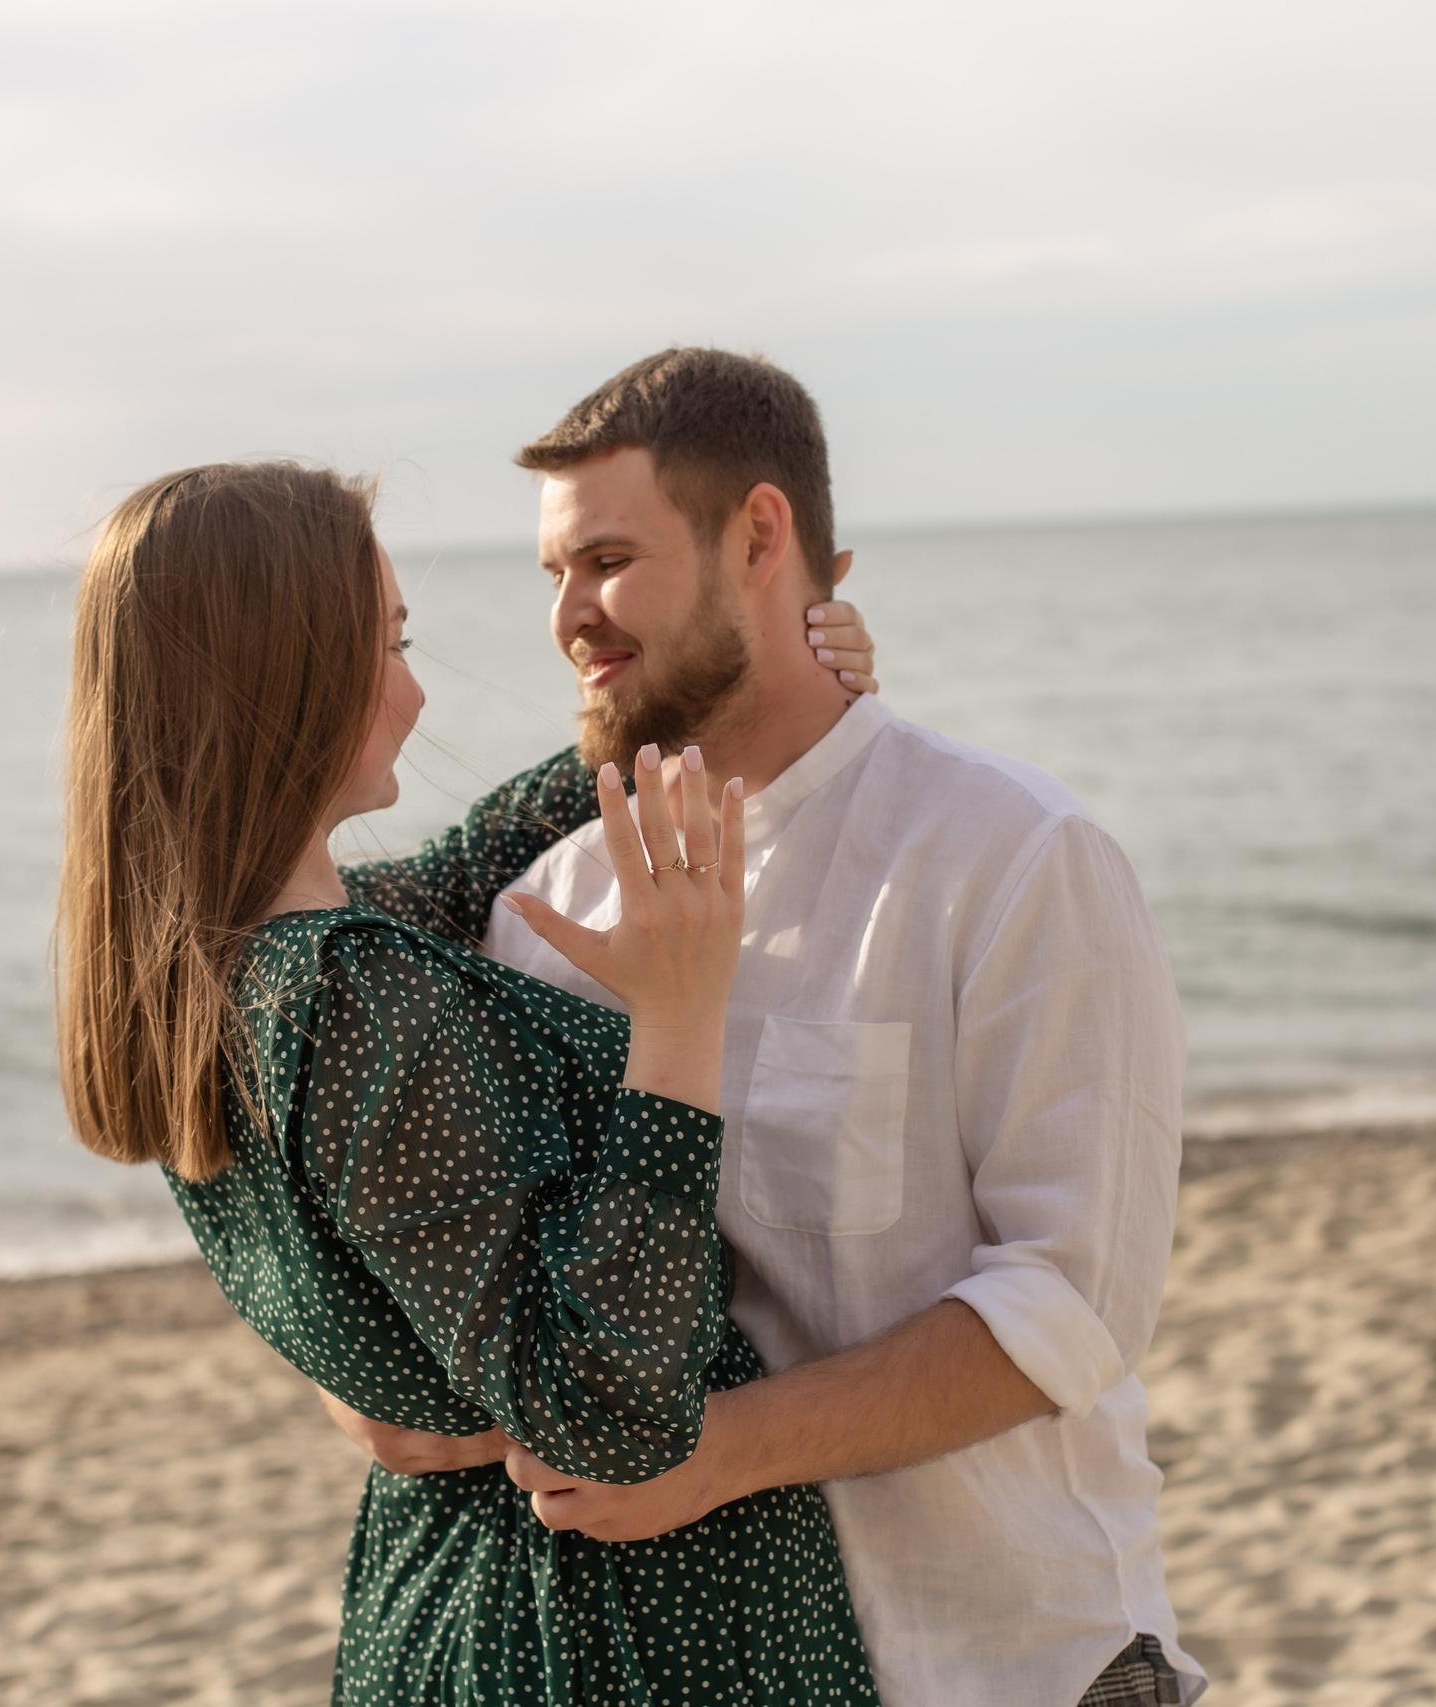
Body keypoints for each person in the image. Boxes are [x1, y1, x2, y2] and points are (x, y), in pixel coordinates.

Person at [321, 350, 1203, 1707]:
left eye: (607, 559)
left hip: (1001, 1656)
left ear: (759, 535)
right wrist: (375, 1385)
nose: (569, 616)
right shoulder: (540, 913)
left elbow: (1074, 1296)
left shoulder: (1014, 855)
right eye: (552, 572)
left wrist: (724, 1447)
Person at [51, 461, 882, 1705]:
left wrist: (714, 689)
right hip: (610, 1636)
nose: (414, 688)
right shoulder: (348, 991)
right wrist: (678, 1024)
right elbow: (610, 1413)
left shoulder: (219, 974)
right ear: (291, 673)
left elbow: (484, 853)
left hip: (450, 1589)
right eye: (387, 645)